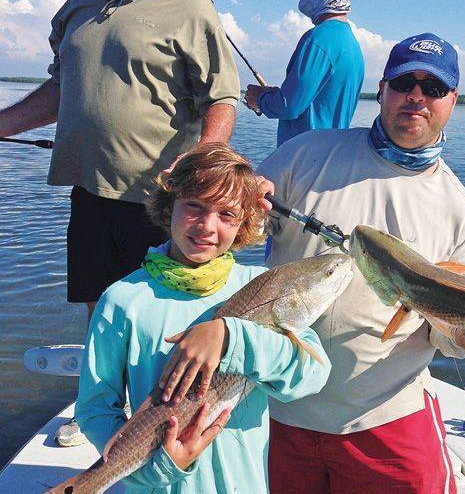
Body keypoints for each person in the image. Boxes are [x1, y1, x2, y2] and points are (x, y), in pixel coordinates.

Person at [0, 0, 241, 446]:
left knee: (164, 319)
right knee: (102, 309)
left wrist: (204, 156)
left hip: (161, 201)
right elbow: (62, 89)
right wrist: (3, 123)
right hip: (90, 189)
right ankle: (100, 415)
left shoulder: (190, 4)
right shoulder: (78, 5)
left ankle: (165, 425)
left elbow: (222, 98)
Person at [254, 33, 465, 493]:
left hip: (384, 419)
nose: (416, 97)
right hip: (277, 411)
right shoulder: (306, 153)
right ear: (382, 88)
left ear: (453, 100)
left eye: (432, 88)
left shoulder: (459, 214)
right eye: (403, 83)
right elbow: (234, 227)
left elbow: (448, 338)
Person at [75, 142, 331, 493]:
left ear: (244, 223)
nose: (207, 225)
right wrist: (158, 470)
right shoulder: (123, 300)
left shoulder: (264, 285)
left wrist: (231, 339)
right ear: (169, 207)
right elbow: (95, 409)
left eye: (227, 215)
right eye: (194, 206)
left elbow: (311, 376)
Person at [244, 0, 364, 147]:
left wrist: (260, 98)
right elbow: (317, 102)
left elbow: (289, 106)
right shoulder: (351, 44)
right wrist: (276, 95)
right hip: (328, 159)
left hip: (303, 163)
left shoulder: (318, 39)